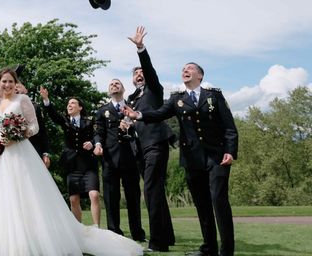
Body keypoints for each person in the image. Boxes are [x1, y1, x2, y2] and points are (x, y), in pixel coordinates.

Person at [0, 68, 142, 256]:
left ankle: (32, 239)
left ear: (15, 83)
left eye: (11, 81)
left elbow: (34, 126)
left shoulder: (23, 100)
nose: (7, 85)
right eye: (4, 81)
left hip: (20, 154)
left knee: (26, 198)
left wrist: (18, 135)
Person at [124, 62, 239, 256]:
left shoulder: (214, 96)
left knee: (219, 201)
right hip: (192, 159)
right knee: (202, 204)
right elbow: (159, 114)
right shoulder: (177, 98)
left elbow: (229, 126)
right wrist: (138, 115)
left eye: (190, 69)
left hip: (217, 157)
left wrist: (231, 150)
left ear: (200, 76)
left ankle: (226, 251)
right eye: (183, 69)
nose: (185, 71)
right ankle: (208, 248)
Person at [126, 26, 175, 252]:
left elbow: (149, 70)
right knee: (154, 191)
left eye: (141, 72)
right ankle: (168, 236)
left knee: (151, 191)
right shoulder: (132, 98)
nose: (139, 74)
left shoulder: (154, 90)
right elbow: (135, 123)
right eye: (135, 73)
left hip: (156, 144)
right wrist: (127, 125)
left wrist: (140, 49)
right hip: (140, 148)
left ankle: (157, 242)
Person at [93, 79, 145, 242]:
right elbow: (98, 132)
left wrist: (132, 126)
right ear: (109, 91)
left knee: (133, 197)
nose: (114, 85)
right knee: (110, 197)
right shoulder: (102, 111)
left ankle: (137, 233)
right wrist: (98, 144)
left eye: (117, 84)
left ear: (123, 89)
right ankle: (114, 232)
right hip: (110, 159)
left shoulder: (132, 107)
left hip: (130, 157)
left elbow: (142, 126)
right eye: (111, 84)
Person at [41, 88, 101, 227]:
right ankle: (78, 229)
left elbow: (97, 134)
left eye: (73, 103)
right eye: (68, 103)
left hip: (88, 165)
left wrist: (93, 143)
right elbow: (53, 114)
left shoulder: (89, 121)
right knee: (74, 199)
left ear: (80, 107)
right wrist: (46, 99)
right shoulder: (65, 120)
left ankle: (97, 228)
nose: (69, 105)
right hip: (71, 166)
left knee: (94, 195)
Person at [16, 82, 51, 168]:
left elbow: (43, 131)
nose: (16, 88)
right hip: (15, 150)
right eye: (14, 87)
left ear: (26, 90)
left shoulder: (35, 107)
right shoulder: (7, 105)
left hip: (34, 148)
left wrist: (45, 153)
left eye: (19, 86)